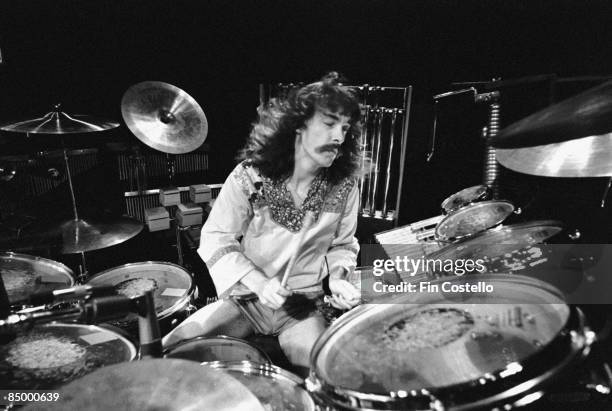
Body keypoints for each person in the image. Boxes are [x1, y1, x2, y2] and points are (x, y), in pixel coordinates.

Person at [163, 72, 363, 374]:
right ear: (298, 125)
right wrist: (259, 282)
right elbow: (217, 237)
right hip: (247, 299)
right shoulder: (250, 176)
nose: (338, 136)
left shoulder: (344, 186)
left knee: (328, 371)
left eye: (345, 128)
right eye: (330, 123)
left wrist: (337, 277)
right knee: (172, 348)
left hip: (301, 306)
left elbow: (343, 245)